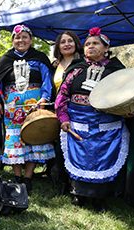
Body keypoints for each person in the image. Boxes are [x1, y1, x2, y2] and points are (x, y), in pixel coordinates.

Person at [55, 27, 127, 212]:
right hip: (78, 123)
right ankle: (79, 195)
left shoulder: (116, 72)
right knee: (80, 158)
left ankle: (99, 199)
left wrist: (128, 111)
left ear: (106, 47)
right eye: (87, 44)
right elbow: (62, 96)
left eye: (95, 43)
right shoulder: (76, 70)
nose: (90, 47)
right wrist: (63, 117)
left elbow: (127, 97)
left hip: (106, 125)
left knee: (102, 159)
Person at [0, 24, 55, 192]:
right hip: (12, 109)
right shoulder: (5, 59)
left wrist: (45, 98)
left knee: (33, 139)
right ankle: (17, 176)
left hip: (34, 107)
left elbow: (47, 80)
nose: (21, 40)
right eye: (17, 37)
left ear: (31, 40)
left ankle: (28, 178)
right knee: (15, 140)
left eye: (25, 37)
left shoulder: (39, 58)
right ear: (12, 41)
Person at [49, 31, 84, 195]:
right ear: (58, 46)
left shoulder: (83, 64)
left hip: (76, 110)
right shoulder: (55, 65)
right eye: (63, 42)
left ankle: (73, 182)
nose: (66, 44)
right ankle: (60, 180)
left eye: (70, 41)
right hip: (56, 108)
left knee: (72, 145)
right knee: (58, 146)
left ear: (76, 43)